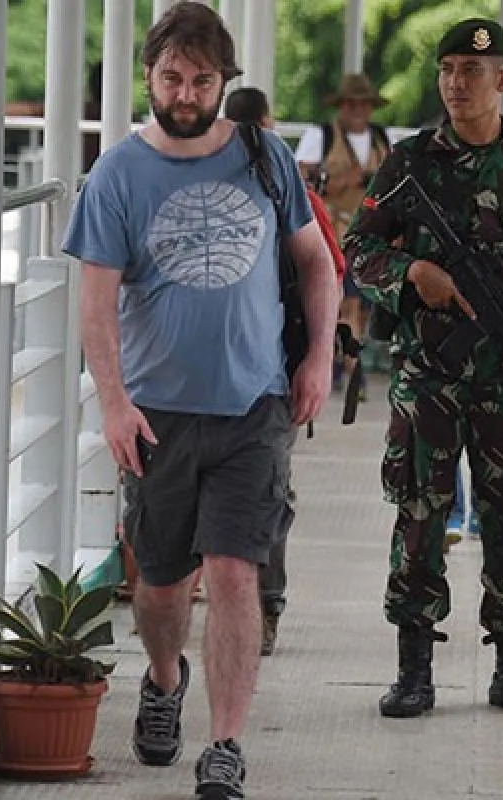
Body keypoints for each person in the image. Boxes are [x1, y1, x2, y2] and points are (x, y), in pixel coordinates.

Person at [63, 4, 338, 798]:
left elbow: (317, 263)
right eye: (172, 78)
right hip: (158, 414)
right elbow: (96, 305)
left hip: (255, 404)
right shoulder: (118, 174)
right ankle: (163, 678)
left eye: (202, 80)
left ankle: (225, 744)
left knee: (234, 573)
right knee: (160, 582)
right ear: (149, 77)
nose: (185, 94)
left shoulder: (264, 156)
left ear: (225, 82)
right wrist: (113, 403)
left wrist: (318, 357)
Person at [344, 17, 503, 721]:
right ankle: (413, 669)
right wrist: (411, 273)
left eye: (472, 71)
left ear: (502, 79)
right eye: (448, 70)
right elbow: (358, 248)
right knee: (420, 512)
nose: (457, 83)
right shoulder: (409, 162)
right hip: (428, 371)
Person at [223, 85, 344, 657]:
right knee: (269, 492)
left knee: (253, 492)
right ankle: (263, 609)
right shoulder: (291, 188)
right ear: (270, 125)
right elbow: (333, 268)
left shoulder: (206, 185)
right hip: (280, 370)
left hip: (252, 373)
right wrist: (319, 355)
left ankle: (251, 606)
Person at [294, 73, 392, 396]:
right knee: (344, 303)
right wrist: (342, 180)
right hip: (332, 234)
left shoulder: (382, 139)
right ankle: (351, 370)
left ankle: (342, 363)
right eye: (351, 104)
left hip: (370, 235)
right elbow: (301, 182)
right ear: (341, 106)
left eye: (363, 104)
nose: (357, 110)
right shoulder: (320, 137)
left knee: (359, 308)